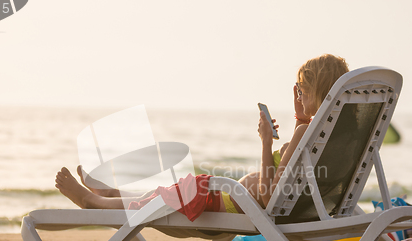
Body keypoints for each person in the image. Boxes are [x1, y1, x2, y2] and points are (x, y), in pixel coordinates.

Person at [55, 54, 349, 215]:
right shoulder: (333, 137)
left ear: (316, 92)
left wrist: (266, 143)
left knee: (158, 201)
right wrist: (300, 118)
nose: (299, 95)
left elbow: (270, 194)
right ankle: (112, 194)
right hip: (230, 197)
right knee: (159, 196)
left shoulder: (303, 134)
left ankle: (93, 202)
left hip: (226, 200)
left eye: (303, 91)